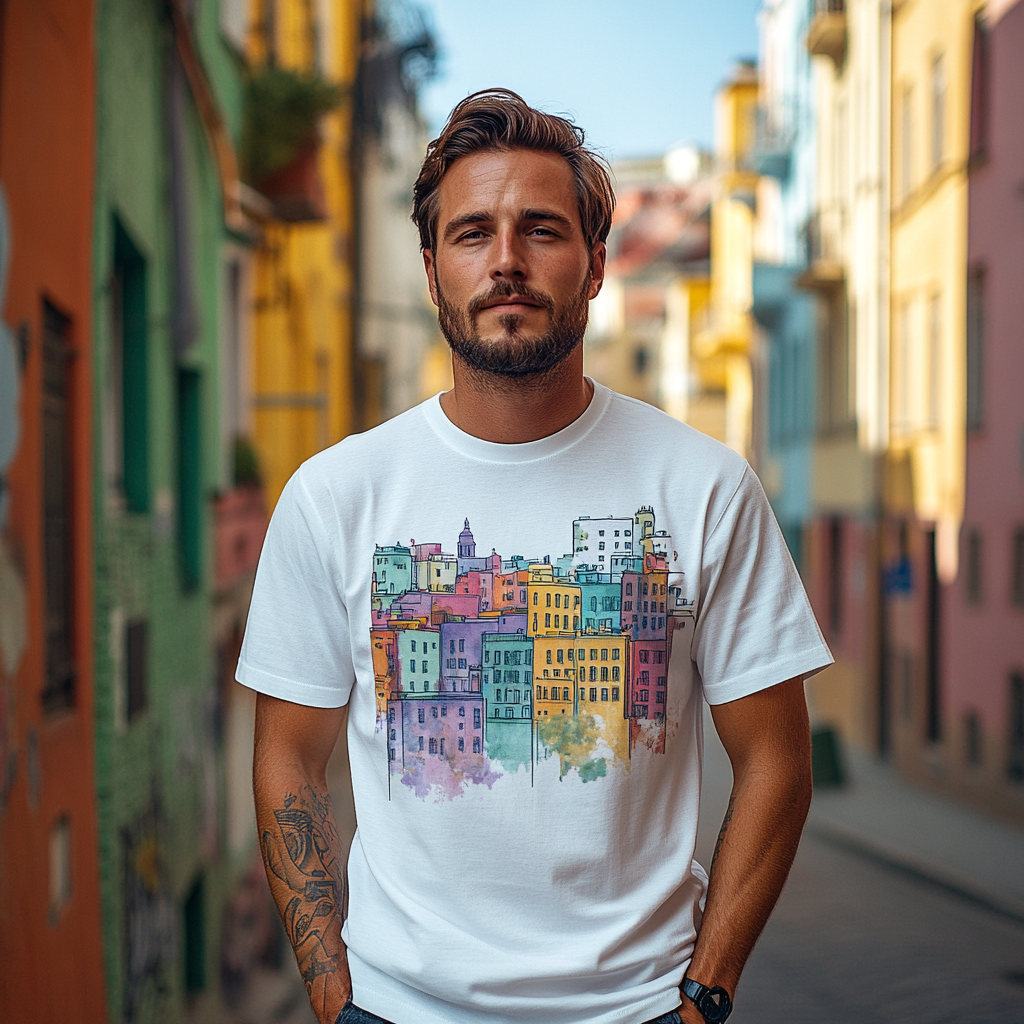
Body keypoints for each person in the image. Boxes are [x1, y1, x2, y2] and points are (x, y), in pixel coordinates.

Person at [241, 89, 832, 1024]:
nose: (506, 261)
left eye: (542, 230)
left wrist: (703, 996)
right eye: (472, 232)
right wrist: (331, 995)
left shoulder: (706, 488)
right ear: (432, 268)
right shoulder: (333, 497)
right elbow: (287, 757)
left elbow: (777, 763)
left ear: (596, 266)